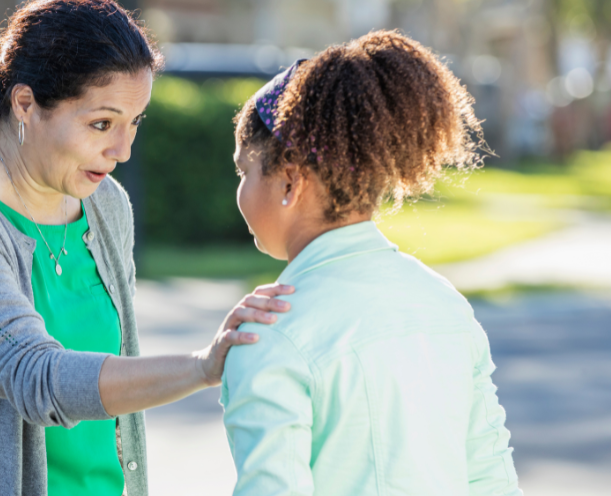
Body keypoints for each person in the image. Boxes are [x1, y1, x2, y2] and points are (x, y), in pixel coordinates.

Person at [0, 0, 292, 496]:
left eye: (134, 123)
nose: (123, 150)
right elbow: (35, 378)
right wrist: (201, 367)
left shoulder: (104, 203)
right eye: (101, 124)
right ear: (25, 104)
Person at [221, 31, 521, 495]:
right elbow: (491, 477)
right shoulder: (446, 306)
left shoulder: (268, 331)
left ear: (290, 181)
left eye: (244, 171)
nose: (239, 191)